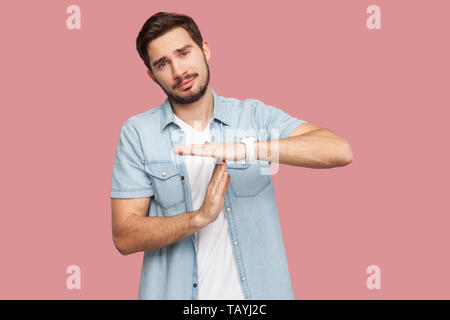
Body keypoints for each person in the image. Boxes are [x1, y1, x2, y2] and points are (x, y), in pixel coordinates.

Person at [110, 11, 353, 300]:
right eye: (163, 63)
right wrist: (199, 218)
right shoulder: (138, 133)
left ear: (205, 50)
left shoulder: (252, 116)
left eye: (184, 53)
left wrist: (247, 148)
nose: (178, 71)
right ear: (152, 75)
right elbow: (125, 235)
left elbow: (339, 150)